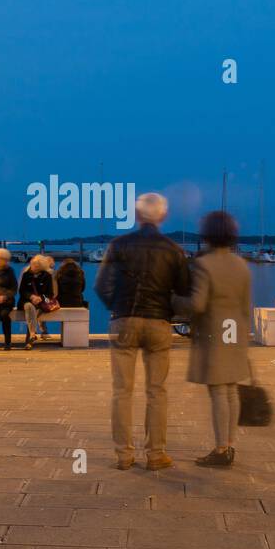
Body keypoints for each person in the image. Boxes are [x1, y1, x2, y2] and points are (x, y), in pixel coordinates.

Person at [96, 192, 189, 471]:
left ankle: (124, 455)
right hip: (158, 322)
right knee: (156, 391)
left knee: (122, 391)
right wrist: (168, 312)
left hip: (124, 319)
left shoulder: (119, 245)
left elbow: (102, 285)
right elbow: (185, 290)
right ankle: (156, 454)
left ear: (137, 216)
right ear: (162, 216)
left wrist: (120, 308)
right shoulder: (173, 249)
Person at [179, 210, 251, 468]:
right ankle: (230, 444)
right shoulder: (241, 264)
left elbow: (197, 304)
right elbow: (245, 305)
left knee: (219, 391)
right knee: (231, 389)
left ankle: (221, 449)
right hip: (236, 330)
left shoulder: (204, 264)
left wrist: (172, 301)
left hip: (215, 331)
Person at [17, 254, 57, 350]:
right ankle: (32, 335)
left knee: (32, 313)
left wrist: (40, 298)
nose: (33, 267)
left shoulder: (47, 276)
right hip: (26, 301)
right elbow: (22, 291)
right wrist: (31, 297)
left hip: (41, 303)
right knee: (29, 307)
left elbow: (50, 294)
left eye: (36, 265)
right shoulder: (26, 275)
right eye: (32, 264)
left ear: (41, 266)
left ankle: (30, 339)